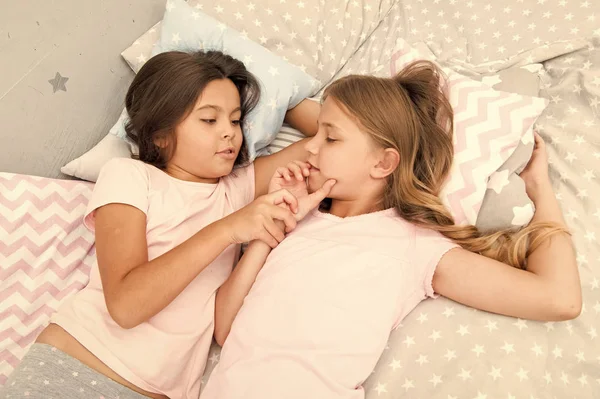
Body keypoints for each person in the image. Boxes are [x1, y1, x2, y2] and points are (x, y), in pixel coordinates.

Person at [202, 61, 581, 399]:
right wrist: (272, 228)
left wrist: (540, 189)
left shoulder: (413, 245)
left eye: (330, 138)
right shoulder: (299, 224)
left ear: (383, 163)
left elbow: (559, 299)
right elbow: (225, 329)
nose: (310, 148)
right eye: (315, 134)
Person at [1, 50, 328, 399]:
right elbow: (127, 306)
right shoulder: (130, 176)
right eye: (208, 120)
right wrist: (229, 228)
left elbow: (335, 137)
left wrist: (288, 100)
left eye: (235, 120)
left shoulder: (237, 190)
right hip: (76, 368)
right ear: (159, 134)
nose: (229, 134)